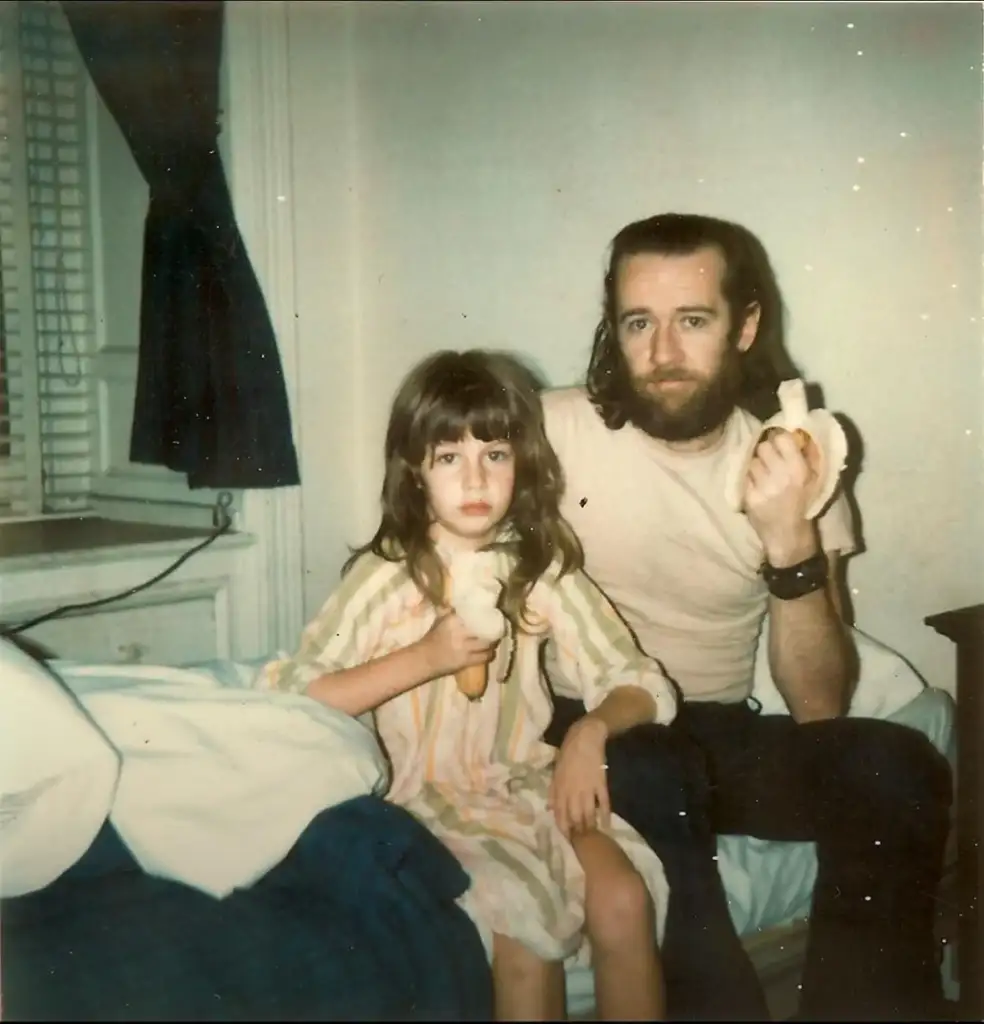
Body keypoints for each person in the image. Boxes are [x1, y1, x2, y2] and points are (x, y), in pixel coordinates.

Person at [541, 213, 953, 1022]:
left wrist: (789, 540)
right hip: (583, 725)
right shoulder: (550, 431)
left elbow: (819, 708)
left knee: (898, 766)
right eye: (638, 323)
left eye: (692, 321)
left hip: (713, 732)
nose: (661, 355)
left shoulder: (792, 462)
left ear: (746, 325)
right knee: (656, 767)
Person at [257, 349, 679, 1021]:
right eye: (449, 457)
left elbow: (638, 680)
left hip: (521, 782)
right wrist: (427, 657)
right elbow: (294, 697)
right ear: (416, 471)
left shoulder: (537, 565)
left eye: (496, 454)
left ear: (523, 464)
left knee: (624, 898)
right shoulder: (386, 574)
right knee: (524, 929)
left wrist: (590, 732)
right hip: (421, 800)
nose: (475, 478)